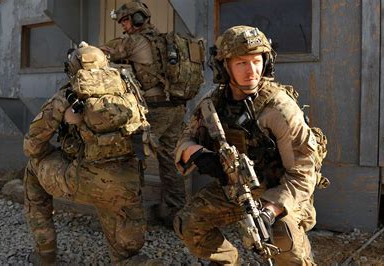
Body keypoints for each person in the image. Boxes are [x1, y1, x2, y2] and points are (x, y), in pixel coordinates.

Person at [173, 25, 326, 265]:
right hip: (235, 190)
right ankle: (228, 262)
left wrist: (269, 211)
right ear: (225, 67)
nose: (252, 71)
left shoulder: (279, 108)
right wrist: (199, 154)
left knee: (283, 238)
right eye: (241, 63)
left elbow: (304, 173)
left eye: (256, 61)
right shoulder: (214, 102)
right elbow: (184, 138)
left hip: (280, 192)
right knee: (189, 223)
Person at [23, 43, 157, 265]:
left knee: (32, 171)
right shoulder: (129, 90)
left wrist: (56, 152)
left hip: (83, 181)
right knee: (125, 248)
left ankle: (44, 254)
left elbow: (32, 146)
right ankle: (129, 259)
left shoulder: (67, 94)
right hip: (128, 184)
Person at [99, 1, 187, 227]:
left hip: (155, 110)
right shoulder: (165, 40)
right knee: (169, 159)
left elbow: (101, 54)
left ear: (138, 19)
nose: (123, 26)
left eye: (125, 20)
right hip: (176, 108)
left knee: (132, 156)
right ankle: (175, 213)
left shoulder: (134, 41)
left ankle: (129, 215)